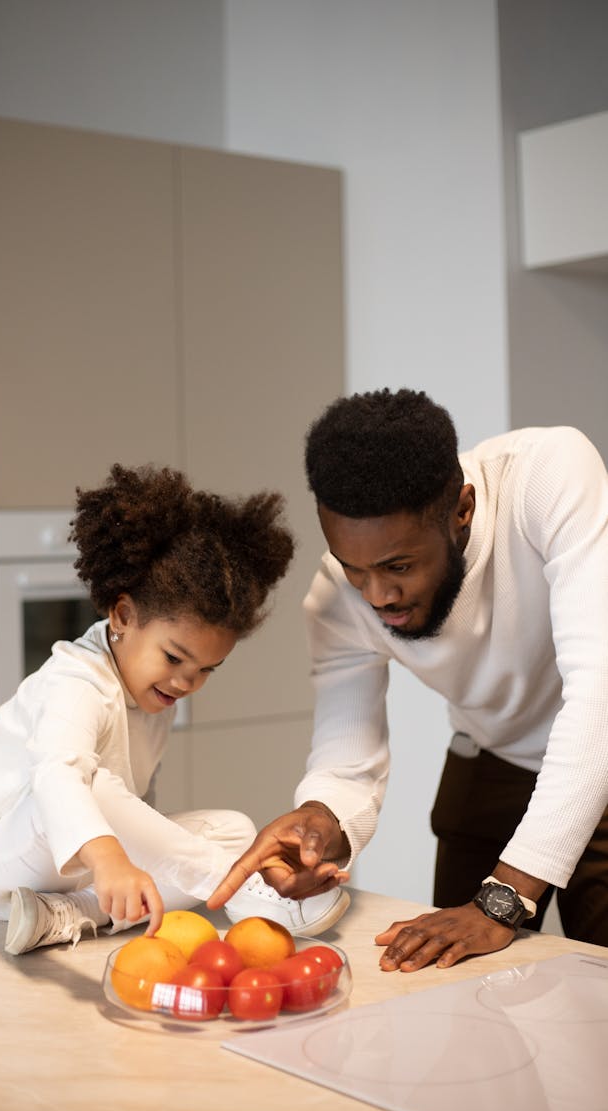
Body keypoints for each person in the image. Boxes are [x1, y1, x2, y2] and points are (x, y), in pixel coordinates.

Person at [208, 388, 608, 971]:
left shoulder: (546, 478)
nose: (377, 597)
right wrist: (321, 820)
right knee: (455, 987)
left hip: (601, 751)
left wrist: (504, 901)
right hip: (491, 755)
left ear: (462, 510)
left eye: (398, 567)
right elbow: (350, 760)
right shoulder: (336, 601)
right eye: (354, 569)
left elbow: (599, 691)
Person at [0, 463, 348, 954]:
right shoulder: (76, 680)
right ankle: (250, 891)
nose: (186, 682)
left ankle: (67, 915)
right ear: (123, 616)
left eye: (206, 670)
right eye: (174, 658)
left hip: (61, 865)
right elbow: (56, 777)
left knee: (233, 829)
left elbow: (137, 812)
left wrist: (136, 857)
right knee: (92, 786)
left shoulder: (151, 690)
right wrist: (110, 856)